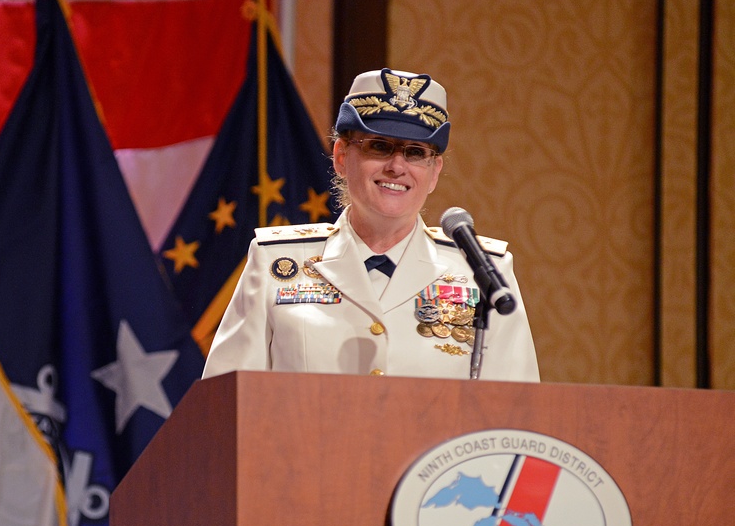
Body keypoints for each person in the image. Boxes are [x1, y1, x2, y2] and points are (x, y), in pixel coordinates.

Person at [202, 68, 539, 382]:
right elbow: (223, 410)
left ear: (434, 172)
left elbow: (518, 416)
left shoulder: (484, 272)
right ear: (341, 157)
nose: (396, 166)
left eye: (415, 152)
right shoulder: (276, 262)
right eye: (379, 147)